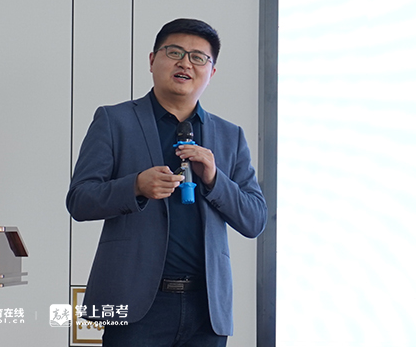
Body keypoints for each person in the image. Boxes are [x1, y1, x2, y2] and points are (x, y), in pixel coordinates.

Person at [66, 18, 267, 346]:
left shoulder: (230, 136)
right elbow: (79, 200)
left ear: (212, 72)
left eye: (198, 57)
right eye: (174, 52)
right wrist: (135, 186)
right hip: (136, 305)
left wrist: (214, 179)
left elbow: (255, 219)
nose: (185, 63)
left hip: (206, 309)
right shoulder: (114, 121)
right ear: (152, 60)